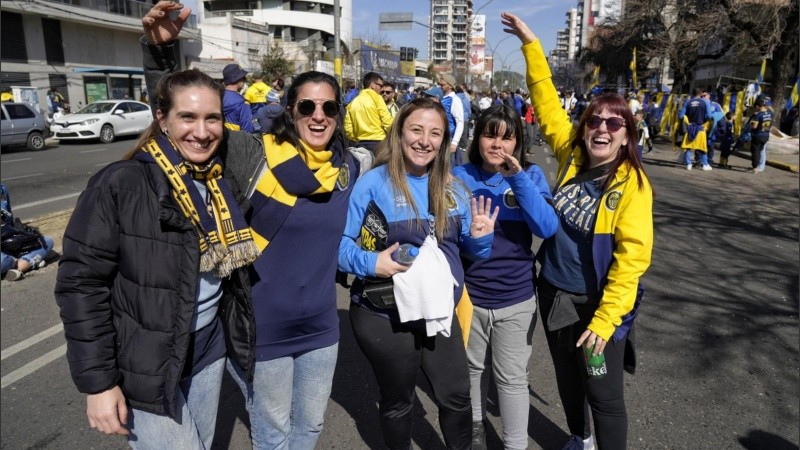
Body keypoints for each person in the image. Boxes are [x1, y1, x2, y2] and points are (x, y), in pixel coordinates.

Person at [141, 3, 364, 448]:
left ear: (339, 114)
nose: (318, 116)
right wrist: (161, 56)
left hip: (322, 329)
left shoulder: (349, 169)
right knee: (273, 433)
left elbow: (414, 154)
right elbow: (185, 123)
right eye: (307, 106)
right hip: (263, 330)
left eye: (329, 107)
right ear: (289, 109)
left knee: (312, 427)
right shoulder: (253, 153)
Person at [54, 67, 259, 447]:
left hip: (206, 347)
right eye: (188, 117)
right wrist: (99, 383)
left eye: (212, 117)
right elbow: (80, 284)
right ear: (162, 119)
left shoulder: (218, 180)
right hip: (144, 360)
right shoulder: (121, 183)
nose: (202, 131)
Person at [502, 12, 653, 450]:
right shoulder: (572, 154)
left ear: (627, 136)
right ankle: (578, 438)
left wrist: (606, 322)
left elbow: (632, 261)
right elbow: (546, 102)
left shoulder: (632, 185)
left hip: (598, 306)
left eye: (613, 123)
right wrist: (532, 45)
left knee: (603, 393)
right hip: (554, 293)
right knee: (567, 377)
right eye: (594, 120)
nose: (601, 128)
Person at [338, 97, 498, 450]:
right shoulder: (372, 184)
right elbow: (339, 248)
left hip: (439, 313)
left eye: (435, 133)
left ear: (444, 141)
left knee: (456, 395)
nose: (425, 140)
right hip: (383, 314)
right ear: (399, 133)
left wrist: (482, 241)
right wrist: (371, 263)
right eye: (416, 129)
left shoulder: (454, 187)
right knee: (398, 403)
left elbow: (469, 252)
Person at [451, 105, 558, 450]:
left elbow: (546, 226)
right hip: (470, 298)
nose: (497, 144)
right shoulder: (460, 176)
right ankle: (477, 427)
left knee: (512, 379)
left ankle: (515, 445)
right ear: (476, 137)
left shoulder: (531, 175)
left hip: (516, 298)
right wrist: (475, 238)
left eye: (506, 137)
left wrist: (517, 178)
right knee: (471, 369)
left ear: (518, 142)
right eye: (489, 134)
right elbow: (448, 237)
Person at [1, 183, 54, 281]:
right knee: (3, 262)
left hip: (8, 241)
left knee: (47, 241)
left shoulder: (2, 189)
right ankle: (23, 264)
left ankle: (18, 266)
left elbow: (10, 221)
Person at [344, 71, 394, 154]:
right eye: (380, 85)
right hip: (378, 142)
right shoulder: (377, 98)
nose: (382, 89)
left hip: (360, 144)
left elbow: (348, 129)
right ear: (373, 85)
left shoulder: (353, 102)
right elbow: (387, 121)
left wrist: (356, 138)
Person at [678, 88, 712, 170]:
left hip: (690, 127)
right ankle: (705, 165)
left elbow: (680, 116)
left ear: (692, 94)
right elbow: (709, 116)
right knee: (702, 147)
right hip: (701, 127)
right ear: (700, 93)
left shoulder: (688, 102)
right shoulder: (705, 102)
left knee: (688, 147)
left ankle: (689, 164)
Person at [438, 73, 465, 166]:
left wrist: (454, 142)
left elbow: (460, 123)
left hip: (449, 139)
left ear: (450, 86)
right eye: (439, 84)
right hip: (439, 138)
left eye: (442, 85)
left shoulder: (455, 100)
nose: (440, 86)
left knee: (448, 169)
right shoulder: (442, 98)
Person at [222, 63, 256, 132]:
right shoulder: (242, 103)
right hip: (236, 140)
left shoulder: (216, 97)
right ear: (238, 79)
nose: (244, 80)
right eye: (243, 78)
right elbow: (248, 130)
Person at [748, 97, 773, 173]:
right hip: (766, 134)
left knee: (755, 151)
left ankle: (755, 167)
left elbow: (754, 126)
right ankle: (760, 166)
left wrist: (751, 124)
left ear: (757, 106)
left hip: (758, 135)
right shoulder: (770, 113)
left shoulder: (758, 115)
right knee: (762, 150)